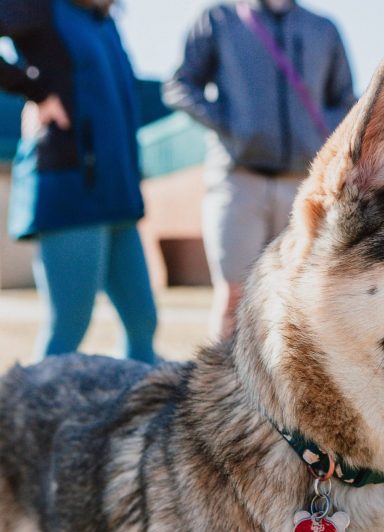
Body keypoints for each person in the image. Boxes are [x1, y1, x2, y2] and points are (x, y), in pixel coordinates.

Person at [164, 0, 355, 339]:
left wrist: (321, 132)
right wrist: (231, 125)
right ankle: (222, 389)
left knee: (297, 298)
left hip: (304, 188)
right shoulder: (219, 19)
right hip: (238, 181)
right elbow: (180, 85)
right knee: (234, 296)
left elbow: (346, 101)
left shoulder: (323, 29)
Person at [0, 0, 158, 363]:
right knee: (69, 326)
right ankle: (27, 417)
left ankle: (140, 416)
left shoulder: (105, 22)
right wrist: (34, 91)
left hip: (118, 196)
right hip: (70, 190)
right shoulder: (40, 8)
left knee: (143, 323)